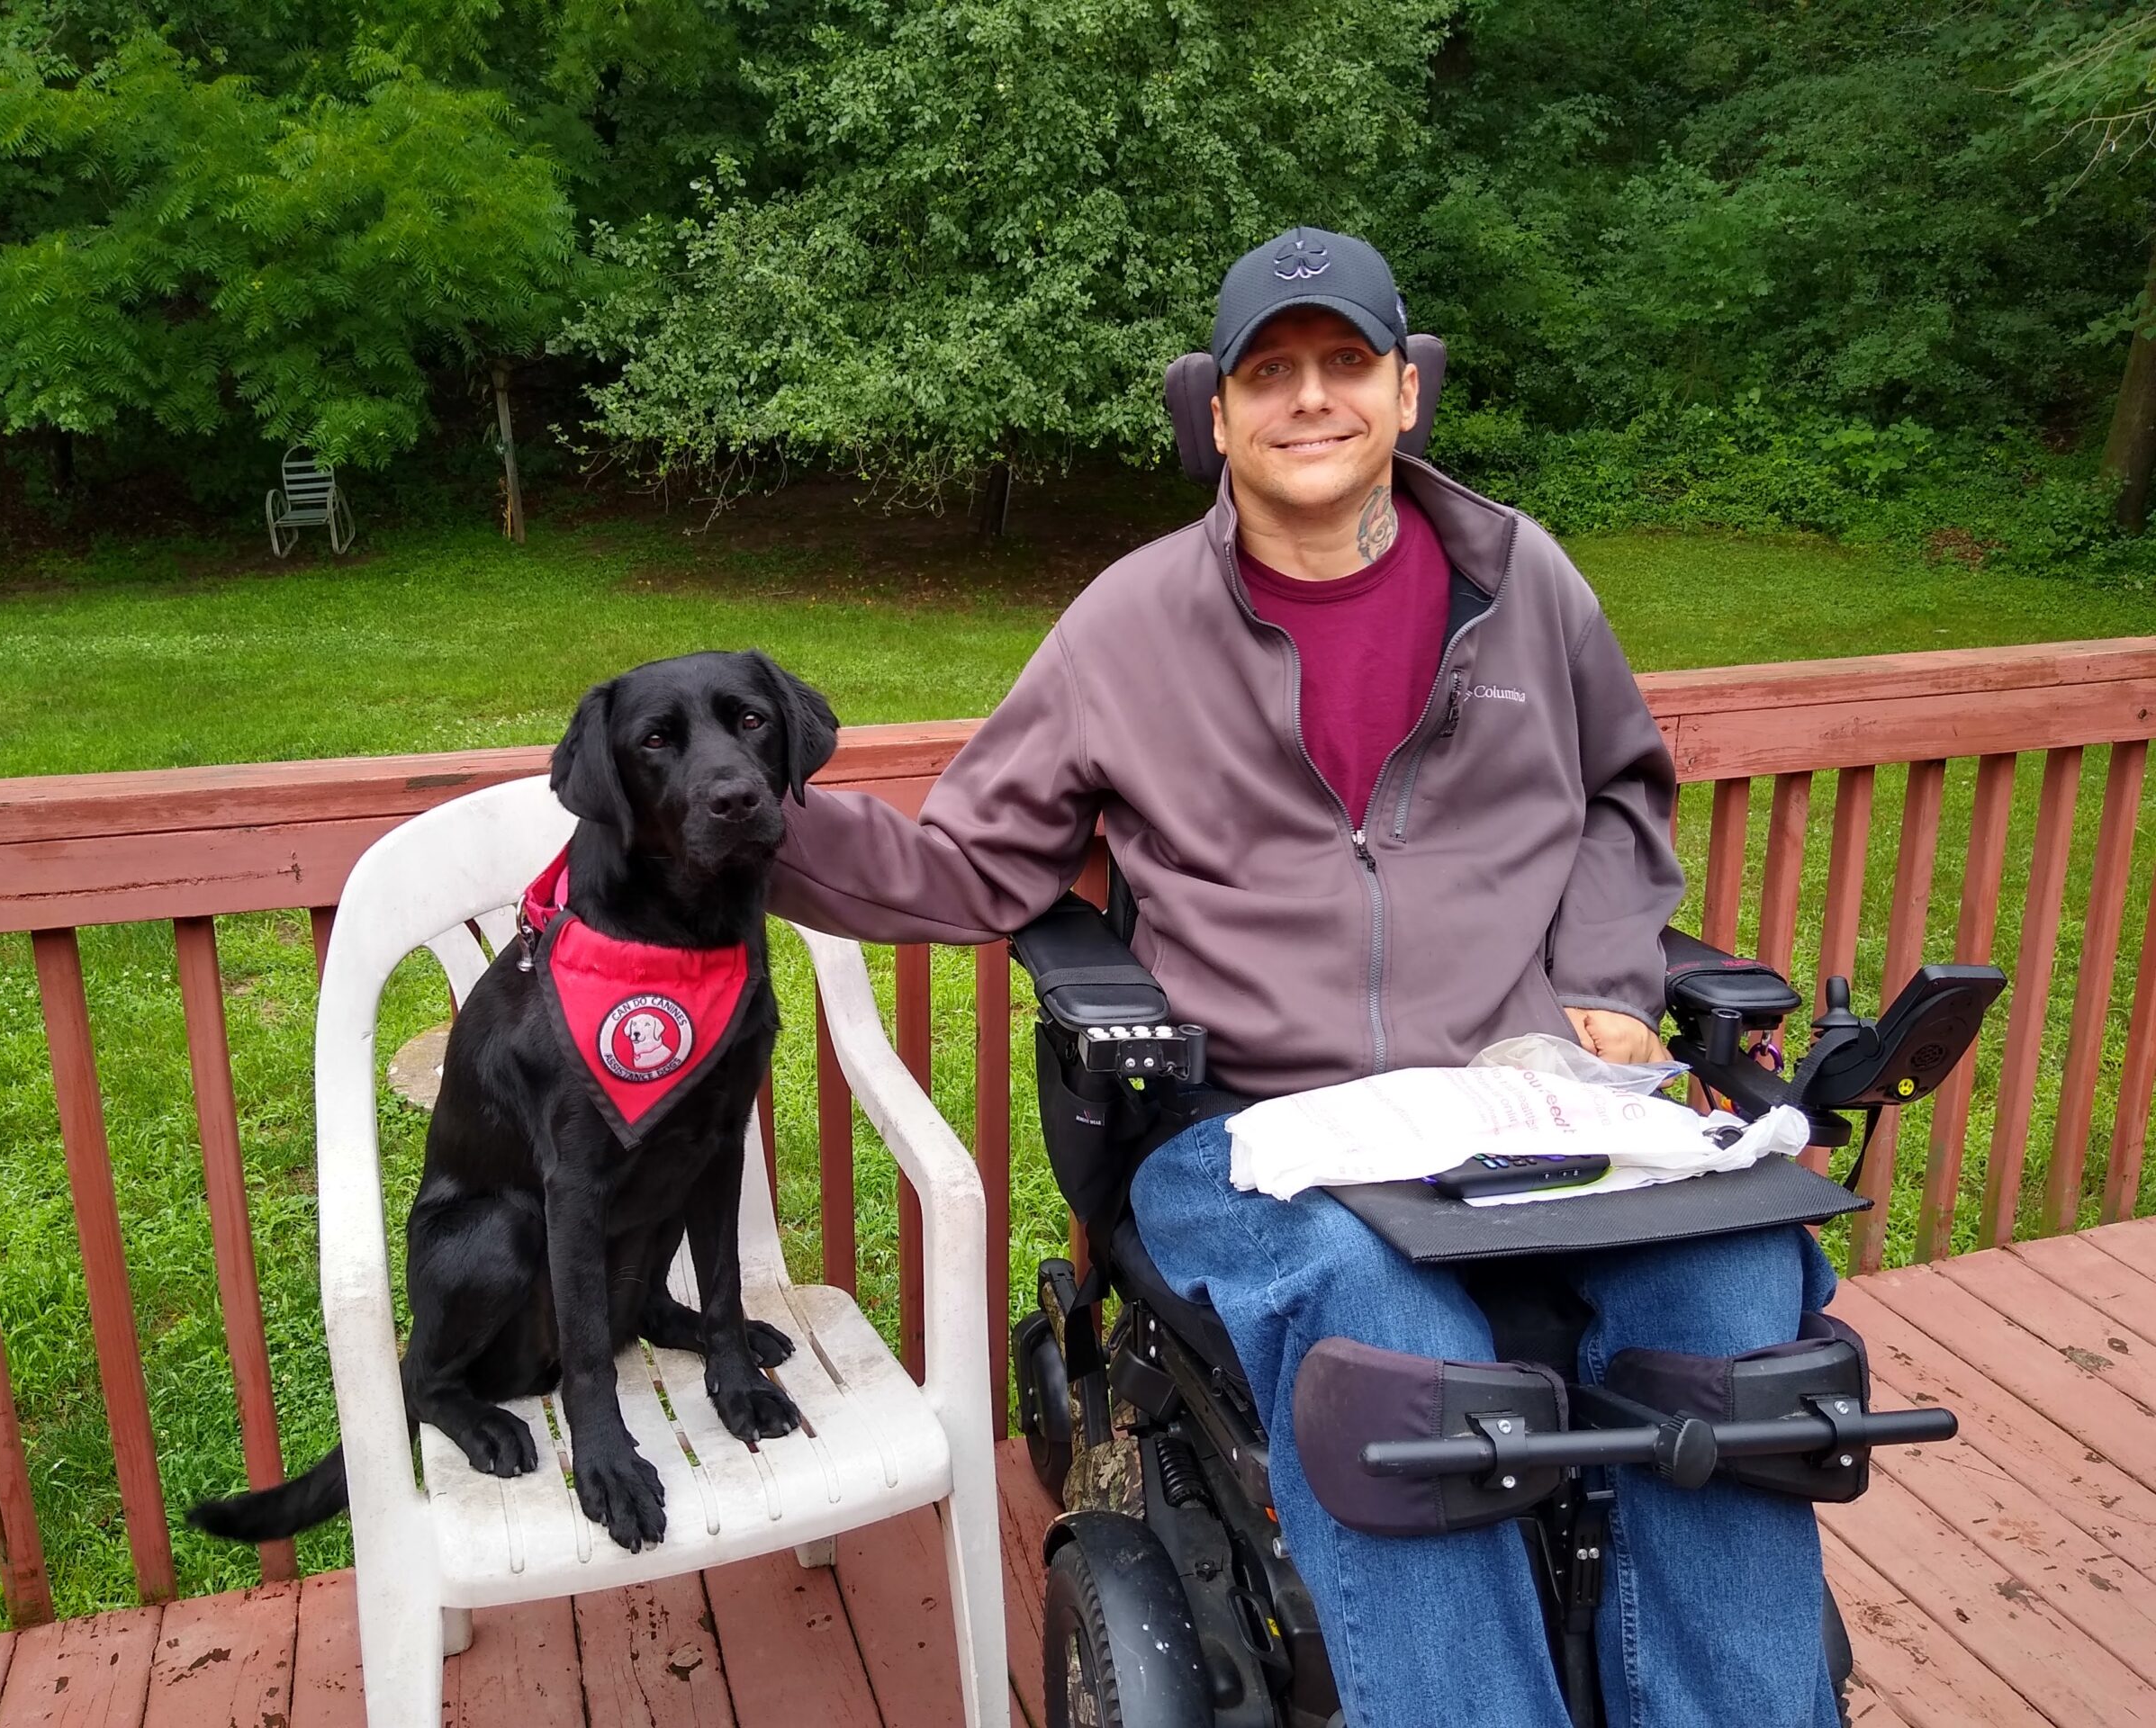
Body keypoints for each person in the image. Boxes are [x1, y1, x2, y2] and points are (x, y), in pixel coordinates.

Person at [771, 228, 1840, 1727]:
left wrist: (1604, 969)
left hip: (1519, 1101)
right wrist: (736, 835)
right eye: (1271, 373)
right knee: (1389, 1339)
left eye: (1348, 364)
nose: (1311, 399)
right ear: (1215, 415)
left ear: (1409, 394)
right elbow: (974, 867)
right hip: (1251, 1123)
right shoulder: (1130, 622)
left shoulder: (1524, 582)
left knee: (1728, 1287)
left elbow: (1620, 792)